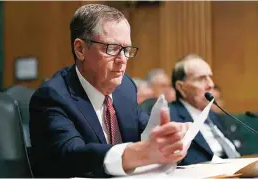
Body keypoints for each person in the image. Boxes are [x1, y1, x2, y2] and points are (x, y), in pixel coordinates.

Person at [29, 4, 190, 178]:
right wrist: (139, 152)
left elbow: (146, 131)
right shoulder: (52, 96)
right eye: (112, 49)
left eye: (127, 50)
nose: (122, 60)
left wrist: (169, 140)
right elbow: (72, 155)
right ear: (80, 49)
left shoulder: (125, 88)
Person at [169, 54, 240, 165]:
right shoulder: (170, 117)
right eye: (201, 79)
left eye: (210, 77)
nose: (211, 84)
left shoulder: (214, 116)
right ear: (181, 88)